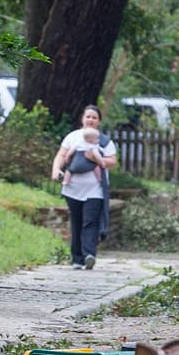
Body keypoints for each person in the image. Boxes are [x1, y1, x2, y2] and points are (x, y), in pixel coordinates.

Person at [51, 105, 117, 270]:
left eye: (94, 117)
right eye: (88, 116)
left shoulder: (104, 141)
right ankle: (77, 258)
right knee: (77, 220)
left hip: (95, 189)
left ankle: (89, 254)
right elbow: (62, 155)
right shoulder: (73, 137)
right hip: (73, 188)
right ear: (83, 119)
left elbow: (112, 161)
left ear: (99, 121)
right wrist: (56, 169)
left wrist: (96, 159)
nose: (91, 120)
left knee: (90, 220)